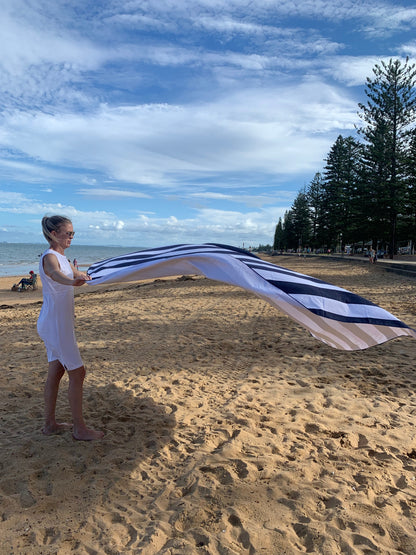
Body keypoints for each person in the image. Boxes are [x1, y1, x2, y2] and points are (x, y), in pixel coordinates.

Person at [37, 215, 104, 440]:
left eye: (73, 233)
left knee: (56, 371)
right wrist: (71, 282)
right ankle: (79, 428)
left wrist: (86, 276)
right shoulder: (49, 257)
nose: (71, 237)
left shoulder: (64, 258)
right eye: (68, 233)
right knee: (78, 372)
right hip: (56, 324)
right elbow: (55, 274)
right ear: (54, 234)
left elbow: (78, 274)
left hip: (56, 322)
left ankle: (49, 424)